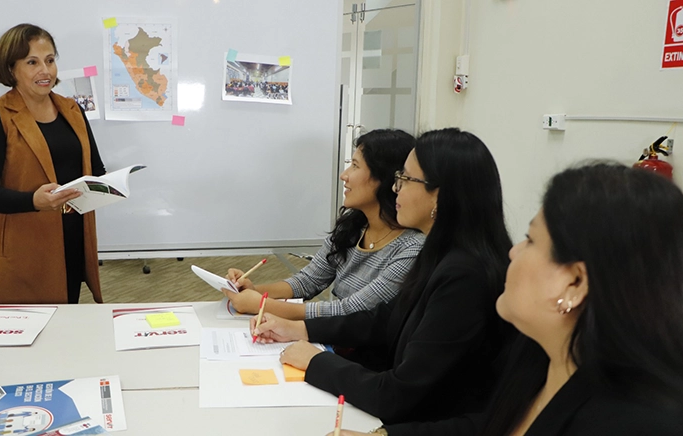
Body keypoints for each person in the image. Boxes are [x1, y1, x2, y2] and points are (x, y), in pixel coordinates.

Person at [334, 163, 683, 435]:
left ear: (575, 283)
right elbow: (485, 427)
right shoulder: (537, 358)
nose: (513, 252)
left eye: (531, 241)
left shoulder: (633, 422)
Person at [253, 128, 515, 424]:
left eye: (405, 179)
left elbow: (397, 394)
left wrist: (316, 361)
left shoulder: (464, 276)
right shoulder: (442, 252)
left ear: (439, 195)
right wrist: (300, 329)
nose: (395, 188)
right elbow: (383, 319)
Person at [223, 129, 424, 320]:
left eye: (355, 166)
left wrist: (263, 305)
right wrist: (254, 291)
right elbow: (309, 280)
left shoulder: (411, 247)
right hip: (332, 334)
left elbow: (351, 311)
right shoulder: (352, 227)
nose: (344, 175)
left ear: (384, 178)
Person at [0, 23, 105, 304]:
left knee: (66, 323)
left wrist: (109, 186)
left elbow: (95, 170)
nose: (45, 71)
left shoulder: (72, 109)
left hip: (72, 241)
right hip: (24, 249)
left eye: (50, 60)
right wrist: (34, 200)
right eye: (32, 62)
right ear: (11, 69)